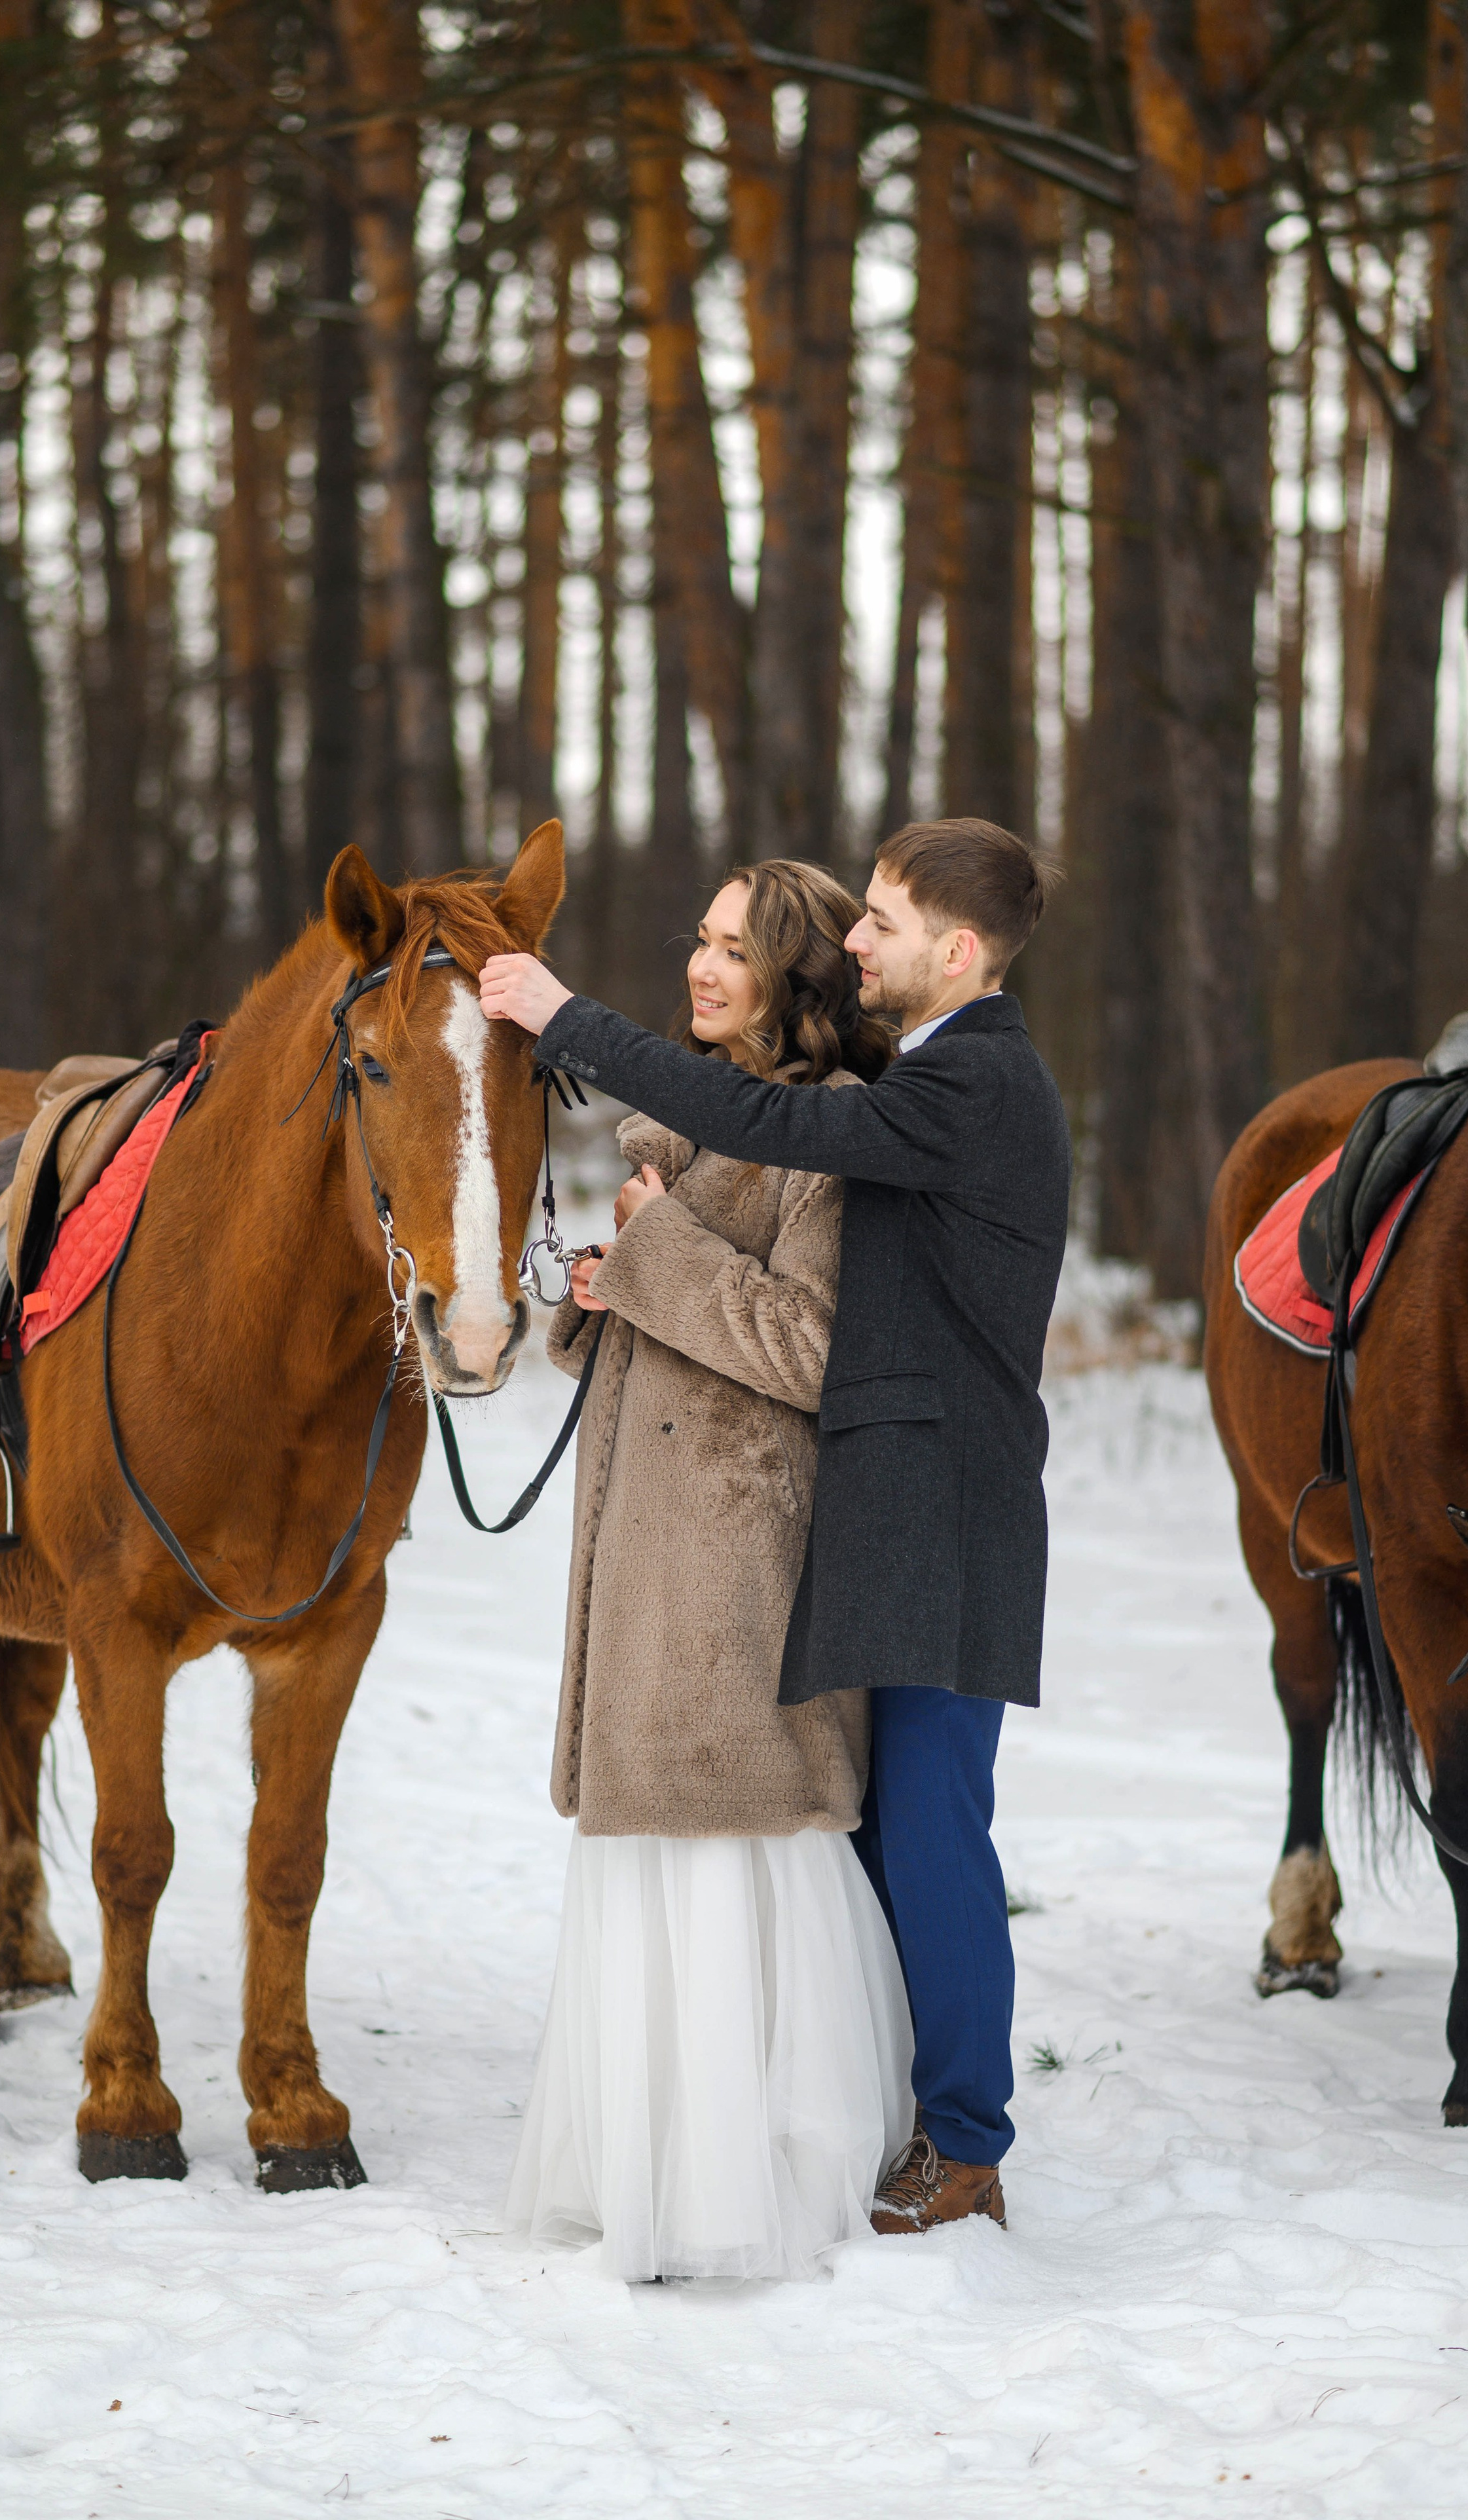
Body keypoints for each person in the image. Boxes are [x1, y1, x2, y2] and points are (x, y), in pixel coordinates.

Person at [485, 817, 1071, 2236]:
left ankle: (966, 2143)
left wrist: (566, 1021)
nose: (860, 939)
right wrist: (615, 1273)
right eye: (855, 916)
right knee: (876, 1839)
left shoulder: (972, 1081)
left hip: (938, 1510)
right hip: (884, 1502)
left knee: (928, 1830)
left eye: (882, 918)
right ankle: (896, 2116)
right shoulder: (934, 1076)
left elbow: (780, 1142)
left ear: (959, 949)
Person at [504, 859, 915, 2284]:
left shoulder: (835, 1136)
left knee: (734, 1843)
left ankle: (757, 2179)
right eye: (696, 936)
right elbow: (651, 1302)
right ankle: (648, 2166)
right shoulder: (676, 1123)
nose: (699, 964)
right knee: (647, 1854)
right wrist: (590, 1289)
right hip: (645, 1544)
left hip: (741, 1555)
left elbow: (812, 1350)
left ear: (795, 979)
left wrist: (657, 1248)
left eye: (733, 948)